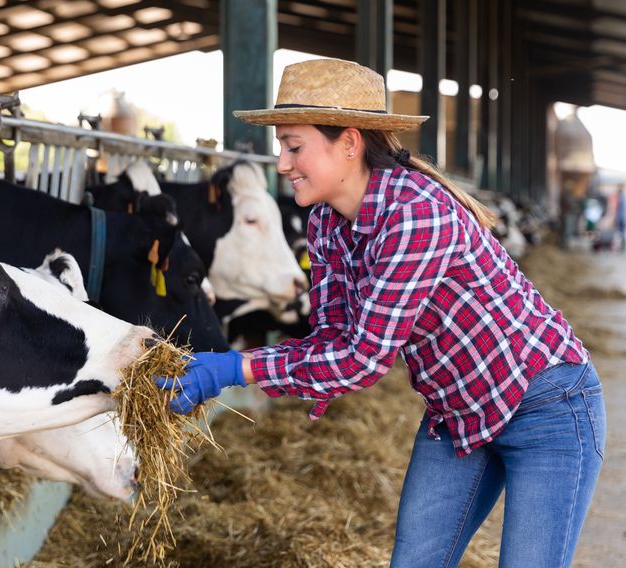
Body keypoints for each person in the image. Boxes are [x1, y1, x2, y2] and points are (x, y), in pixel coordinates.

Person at [155, 58, 605, 567]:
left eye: (294, 146)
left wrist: (238, 368)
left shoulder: (415, 212)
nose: (282, 163)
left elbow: (363, 359)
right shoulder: (325, 221)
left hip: (546, 404)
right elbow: (335, 339)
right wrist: (239, 366)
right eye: (282, 146)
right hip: (456, 414)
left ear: (348, 143)